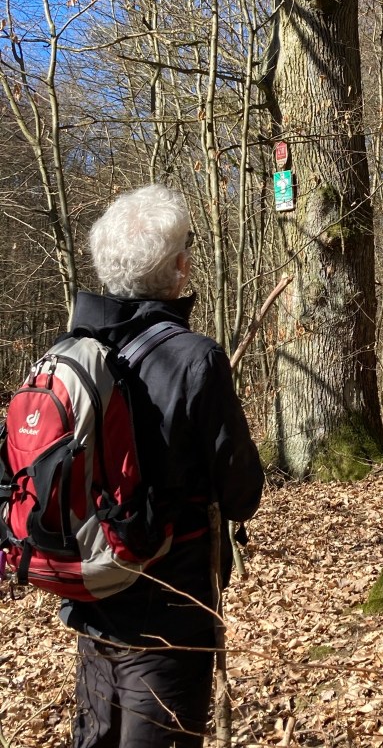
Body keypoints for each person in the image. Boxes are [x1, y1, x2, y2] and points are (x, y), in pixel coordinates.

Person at [61, 184, 264, 748]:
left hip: (92, 597)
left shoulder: (76, 350)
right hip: (169, 609)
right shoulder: (195, 358)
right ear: (177, 267)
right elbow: (241, 492)